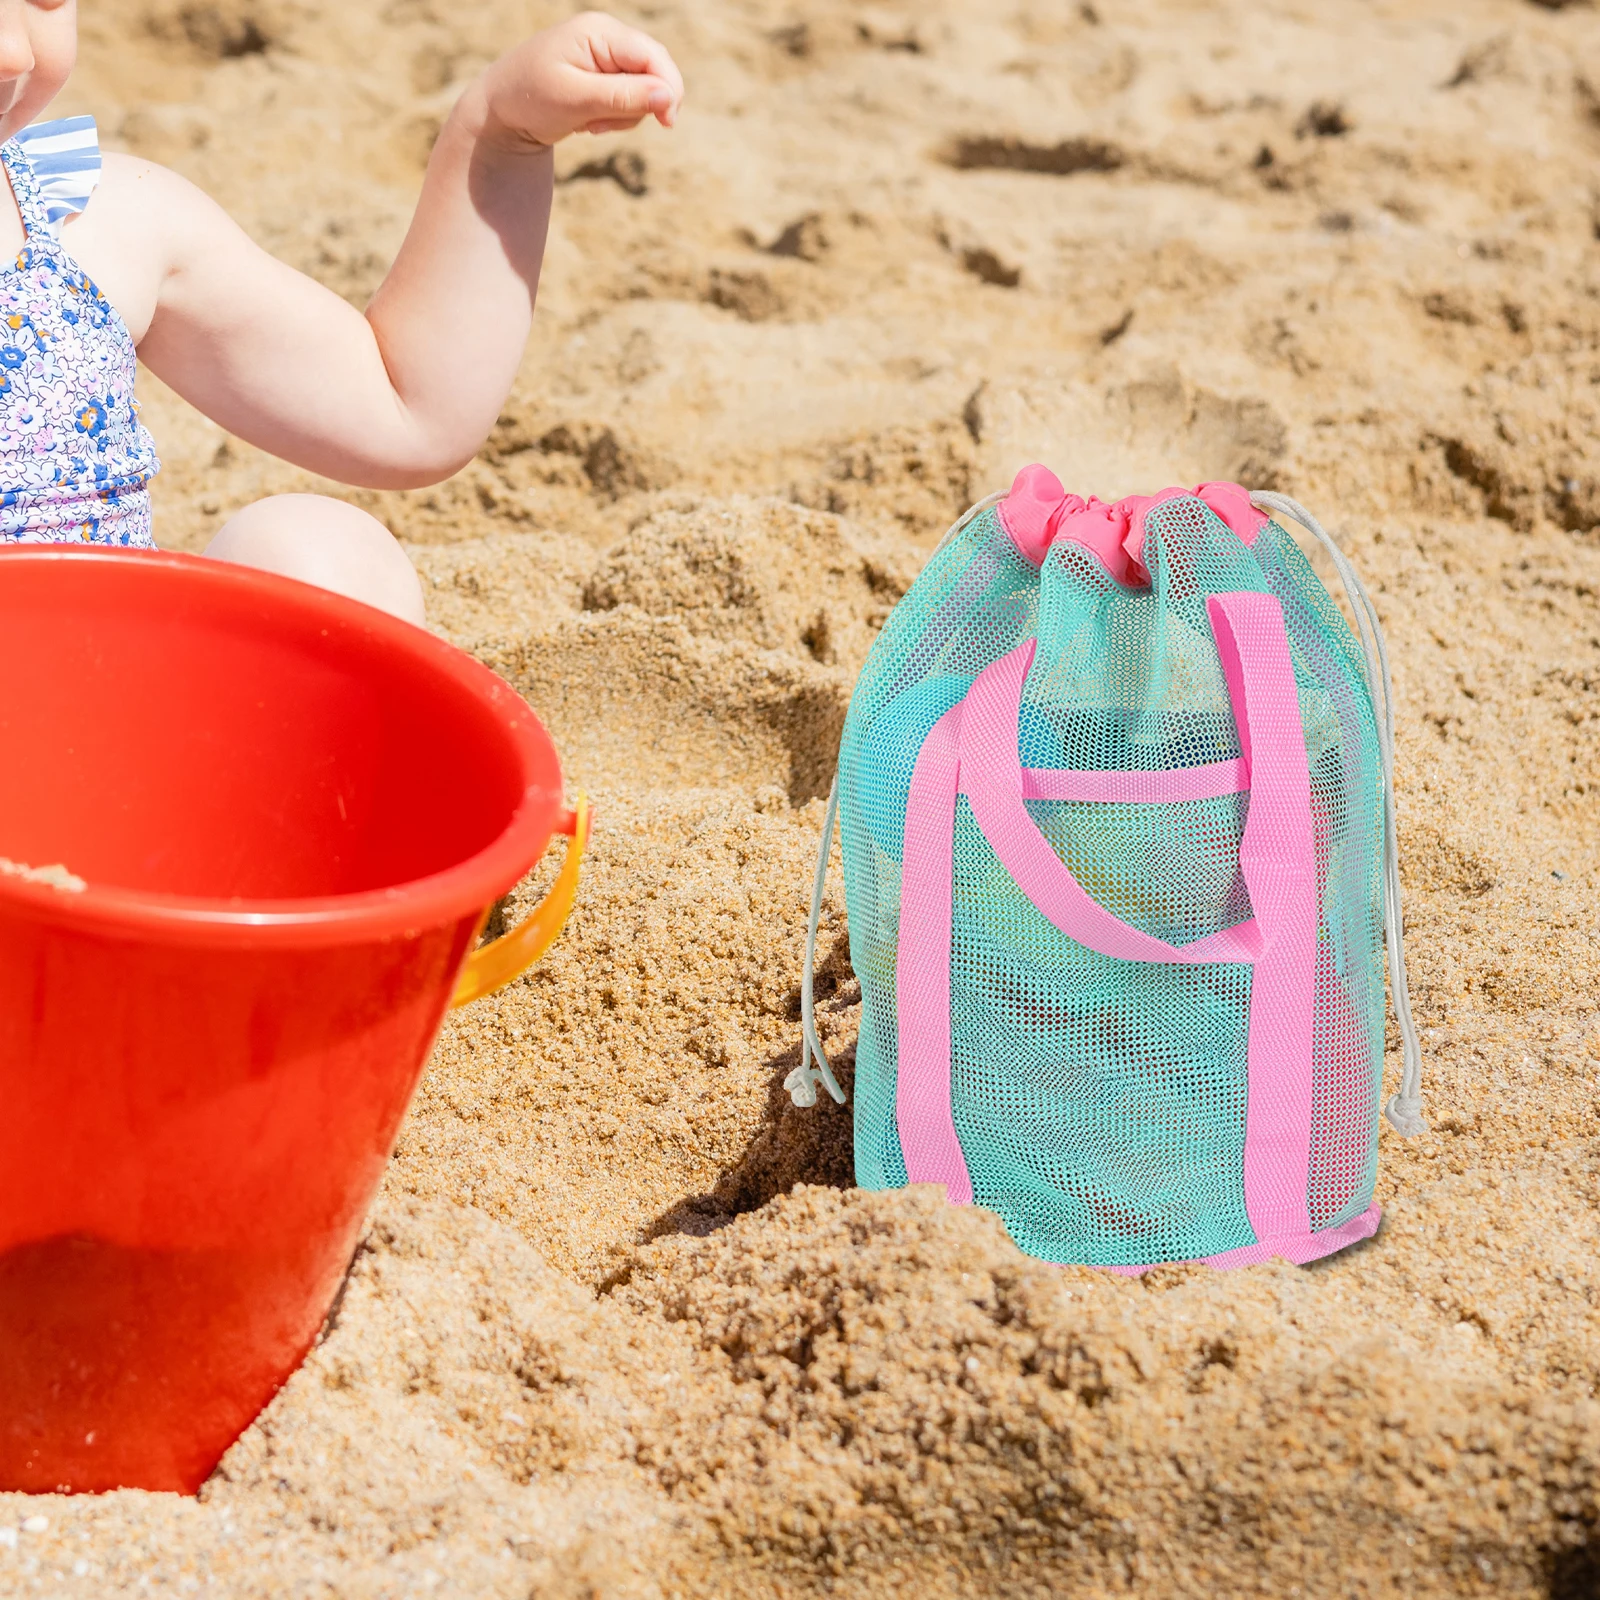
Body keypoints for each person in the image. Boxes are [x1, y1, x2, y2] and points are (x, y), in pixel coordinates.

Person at [0, 1, 684, 623]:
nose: (13, 49)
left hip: (110, 699)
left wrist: (503, 135)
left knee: (321, 554)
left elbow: (407, 410)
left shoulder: (93, 222)